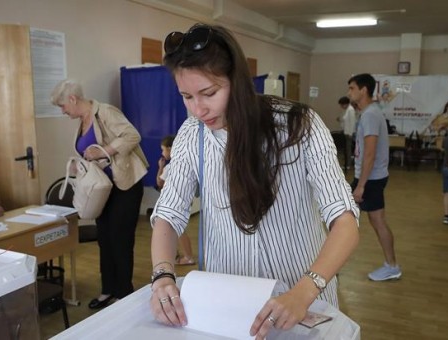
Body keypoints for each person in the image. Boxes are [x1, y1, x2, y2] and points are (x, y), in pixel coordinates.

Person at [149, 23, 359, 339]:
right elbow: (168, 215)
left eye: (209, 93)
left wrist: (304, 291)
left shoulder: (298, 126)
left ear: (239, 81)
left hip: (300, 301)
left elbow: (344, 220)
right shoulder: (193, 135)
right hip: (229, 307)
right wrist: (163, 275)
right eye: (186, 96)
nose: (198, 109)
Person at [50, 79, 149, 309]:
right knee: (105, 239)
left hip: (124, 185)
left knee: (120, 240)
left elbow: (132, 136)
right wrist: (82, 164)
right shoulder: (83, 121)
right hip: (102, 188)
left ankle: (124, 294)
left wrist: (104, 150)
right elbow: (91, 153)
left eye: (62, 106)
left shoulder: (105, 111)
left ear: (73, 99)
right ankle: (108, 291)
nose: (63, 111)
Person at [347, 73, 401, 281]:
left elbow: (370, 152)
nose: (349, 92)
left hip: (370, 179)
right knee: (347, 217)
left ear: (363, 90)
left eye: (352, 88)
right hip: (370, 177)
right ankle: (391, 265)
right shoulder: (370, 112)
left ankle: (392, 265)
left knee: (375, 221)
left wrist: (360, 186)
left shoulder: (370, 114)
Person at [156, 135, 195, 266]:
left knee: (179, 230)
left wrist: (160, 166)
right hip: (181, 201)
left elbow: (159, 183)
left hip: (175, 202)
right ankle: (182, 254)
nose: (162, 153)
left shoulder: (171, 166)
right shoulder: (182, 163)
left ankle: (188, 257)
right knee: (178, 229)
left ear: (170, 148)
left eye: (163, 150)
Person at [337, 96, 357, 170]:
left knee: (348, 149)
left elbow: (352, 123)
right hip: (345, 132)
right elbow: (345, 120)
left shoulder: (350, 110)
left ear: (345, 103)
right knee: (346, 149)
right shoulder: (347, 110)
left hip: (349, 133)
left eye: (342, 105)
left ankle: (348, 165)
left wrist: (350, 133)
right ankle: (346, 163)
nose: (341, 106)